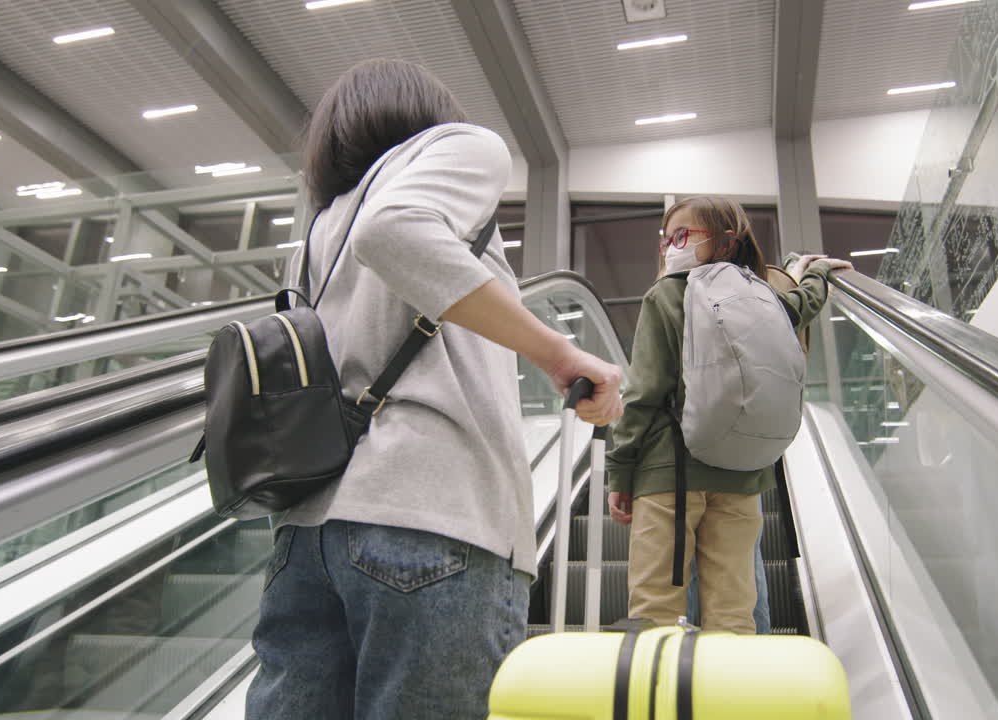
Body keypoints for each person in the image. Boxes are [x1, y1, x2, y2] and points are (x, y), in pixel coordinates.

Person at [245, 59, 623, 720]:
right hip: (430, 518)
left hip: (307, 537)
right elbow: (392, 232)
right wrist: (557, 353)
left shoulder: (319, 226)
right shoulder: (458, 146)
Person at [606, 196, 850, 633]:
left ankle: (665, 699)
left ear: (724, 244)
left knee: (654, 611)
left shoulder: (665, 294)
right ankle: (730, 699)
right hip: (742, 479)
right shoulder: (761, 298)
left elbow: (642, 393)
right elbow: (803, 304)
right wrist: (816, 273)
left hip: (669, 478)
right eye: (666, 238)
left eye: (683, 236)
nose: (669, 247)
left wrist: (620, 473)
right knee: (734, 613)